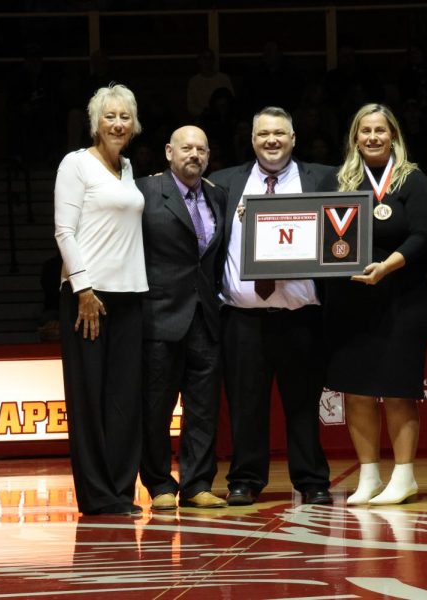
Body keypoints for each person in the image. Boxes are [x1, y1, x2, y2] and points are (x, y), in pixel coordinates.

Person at [208, 106, 333, 506]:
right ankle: (244, 480)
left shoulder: (322, 179)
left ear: (293, 138)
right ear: (252, 140)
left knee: (303, 404)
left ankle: (311, 480)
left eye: (279, 133)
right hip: (243, 318)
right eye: (263, 134)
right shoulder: (225, 183)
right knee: (245, 406)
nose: (271, 140)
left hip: (302, 317)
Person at [323, 103, 427, 506]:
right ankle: (369, 476)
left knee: (396, 391)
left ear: (394, 137)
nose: (373, 137)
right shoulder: (340, 182)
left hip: (401, 299)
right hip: (352, 303)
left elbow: (424, 235)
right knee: (355, 391)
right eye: (365, 131)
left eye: (380, 130)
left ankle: (404, 476)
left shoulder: (413, 180)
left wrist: (388, 266)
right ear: (354, 138)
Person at [53, 84, 147, 516]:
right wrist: (83, 288)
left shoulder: (128, 168)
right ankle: (96, 495)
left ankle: (121, 491)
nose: (117, 124)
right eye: (109, 116)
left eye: (124, 116)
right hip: (88, 298)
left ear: (134, 125)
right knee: (89, 400)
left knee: (125, 400)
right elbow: (64, 232)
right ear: (96, 122)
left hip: (130, 296)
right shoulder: (76, 164)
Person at [136, 126, 227, 510]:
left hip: (206, 315)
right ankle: (158, 483)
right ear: (169, 151)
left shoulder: (217, 195)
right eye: (187, 148)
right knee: (156, 406)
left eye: (202, 149)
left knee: (204, 407)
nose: (195, 154)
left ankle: (197, 484)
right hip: (160, 314)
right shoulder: (144, 192)